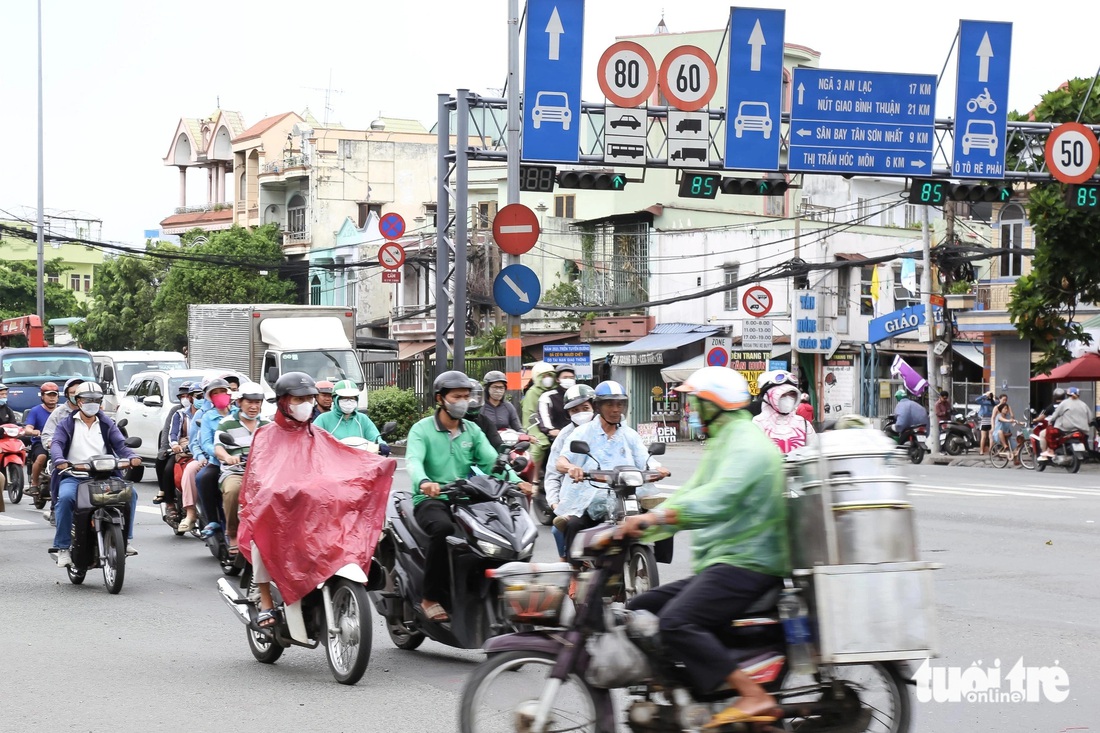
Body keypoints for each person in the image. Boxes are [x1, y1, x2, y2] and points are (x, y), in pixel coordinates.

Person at [619, 366, 788, 727]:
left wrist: (657, 521)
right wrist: (635, 530)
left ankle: (752, 694)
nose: (692, 411)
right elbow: (689, 492)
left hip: (749, 564)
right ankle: (674, 694)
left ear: (715, 405)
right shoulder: (724, 442)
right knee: (640, 608)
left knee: (676, 622)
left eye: (696, 403)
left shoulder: (747, 443)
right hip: (724, 563)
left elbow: (717, 498)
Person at [405, 370, 532, 622]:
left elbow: (491, 462)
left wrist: (519, 483)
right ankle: (430, 597)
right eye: (456, 396)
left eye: (466, 396)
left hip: (466, 496)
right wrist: (425, 482)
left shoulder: (472, 430)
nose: (463, 401)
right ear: (440, 399)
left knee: (505, 528)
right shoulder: (422, 429)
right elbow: (413, 462)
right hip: (432, 498)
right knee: (441, 530)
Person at [556, 381, 670, 562]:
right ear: (598, 406)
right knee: (573, 525)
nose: (616, 409)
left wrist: (658, 468)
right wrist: (572, 468)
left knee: (662, 516)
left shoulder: (629, 434)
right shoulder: (583, 432)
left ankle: (652, 561)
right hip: (590, 498)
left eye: (620, 404)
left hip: (627, 495)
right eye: (610, 404)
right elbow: (561, 461)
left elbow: (645, 459)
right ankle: (574, 573)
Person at [50, 383, 141, 568]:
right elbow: (56, 444)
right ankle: (63, 548)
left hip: (105, 475)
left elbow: (121, 445)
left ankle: (126, 539)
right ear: (78, 401)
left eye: (96, 400)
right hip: (75, 475)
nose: (91, 403)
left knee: (131, 495)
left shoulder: (108, 423)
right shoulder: (66, 424)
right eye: (87, 399)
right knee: (66, 498)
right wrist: (59, 459)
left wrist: (131, 456)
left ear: (100, 402)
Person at [211, 382, 269, 558]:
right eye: (249, 402)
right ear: (239, 402)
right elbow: (218, 447)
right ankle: (233, 534)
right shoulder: (226, 423)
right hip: (236, 471)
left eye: (257, 402)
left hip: (262, 473)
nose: (254, 406)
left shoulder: (267, 424)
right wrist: (228, 457)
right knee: (233, 491)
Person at [544, 384, 595, 561]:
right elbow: (553, 473)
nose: (581, 413)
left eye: (585, 408)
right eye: (575, 410)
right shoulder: (564, 437)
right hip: (576, 497)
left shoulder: (609, 428)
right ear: (568, 414)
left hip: (608, 492)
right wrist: (555, 504)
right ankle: (570, 568)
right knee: (559, 529)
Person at [41, 378, 87, 522]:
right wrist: (53, 446)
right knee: (59, 479)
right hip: (65, 458)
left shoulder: (97, 413)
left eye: (79, 393)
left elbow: (114, 439)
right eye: (73, 393)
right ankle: (55, 507)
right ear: (67, 394)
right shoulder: (60, 414)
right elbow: (48, 435)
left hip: (91, 458)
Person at [196, 378, 236, 536]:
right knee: (203, 478)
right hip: (218, 462)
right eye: (216, 393)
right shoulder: (207, 417)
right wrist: (221, 454)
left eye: (223, 392)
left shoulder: (239, 414)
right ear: (210, 398)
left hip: (241, 462)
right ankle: (212, 520)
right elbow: (205, 443)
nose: (220, 395)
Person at [313, 380, 390, 455]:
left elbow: (374, 436)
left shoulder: (363, 419)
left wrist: (382, 444)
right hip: (333, 463)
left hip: (360, 462)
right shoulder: (323, 419)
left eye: (352, 398)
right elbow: (313, 439)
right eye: (344, 398)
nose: (348, 402)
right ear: (335, 399)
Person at [752, 370, 815, 454]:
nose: (788, 398)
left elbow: (815, 452)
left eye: (792, 395)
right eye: (783, 395)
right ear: (768, 397)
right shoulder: (757, 424)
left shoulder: (803, 424)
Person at [153, 382, 192, 505]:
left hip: (199, 450)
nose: (186, 399)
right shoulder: (178, 413)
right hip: (180, 448)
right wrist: (170, 447)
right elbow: (170, 431)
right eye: (182, 396)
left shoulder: (205, 413)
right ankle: (169, 501)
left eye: (188, 396)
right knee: (167, 468)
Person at [520, 361, 556, 481]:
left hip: (554, 428)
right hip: (535, 427)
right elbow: (529, 416)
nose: (548, 379)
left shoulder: (556, 391)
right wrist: (540, 433)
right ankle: (534, 479)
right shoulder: (532, 393)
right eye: (544, 376)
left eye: (550, 375)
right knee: (539, 446)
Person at [23, 382, 60, 494]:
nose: (52, 398)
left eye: (54, 395)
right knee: (41, 456)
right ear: (42, 396)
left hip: (59, 442)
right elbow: (27, 428)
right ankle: (34, 483)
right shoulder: (35, 411)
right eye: (49, 395)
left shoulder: (62, 410)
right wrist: (33, 431)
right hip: (41, 442)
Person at [1045, 386, 1094, 458]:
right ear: (1078, 395)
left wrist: (1050, 421)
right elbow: (1090, 419)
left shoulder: (1064, 403)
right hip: (1082, 431)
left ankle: (1051, 451)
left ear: (1067, 395)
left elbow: (1055, 415)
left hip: (1067, 429)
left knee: (1051, 433)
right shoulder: (1084, 404)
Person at [535, 365, 575, 442]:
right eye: (565, 377)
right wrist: (550, 429)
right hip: (558, 437)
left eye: (571, 378)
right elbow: (544, 415)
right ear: (557, 379)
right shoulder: (548, 396)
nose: (568, 380)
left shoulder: (578, 394)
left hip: (580, 434)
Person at [465, 379, 503, 452]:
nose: (473, 401)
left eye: (477, 397)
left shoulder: (485, 422)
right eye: (469, 397)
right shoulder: (454, 422)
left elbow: (498, 444)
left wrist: (506, 454)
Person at [974, 390, 995, 454]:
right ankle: (985, 450)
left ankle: (986, 450)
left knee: (987, 437)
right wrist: (986, 395)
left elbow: (977, 400)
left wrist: (986, 396)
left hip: (988, 420)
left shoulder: (989, 402)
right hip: (988, 420)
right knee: (987, 437)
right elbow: (976, 400)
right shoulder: (988, 402)